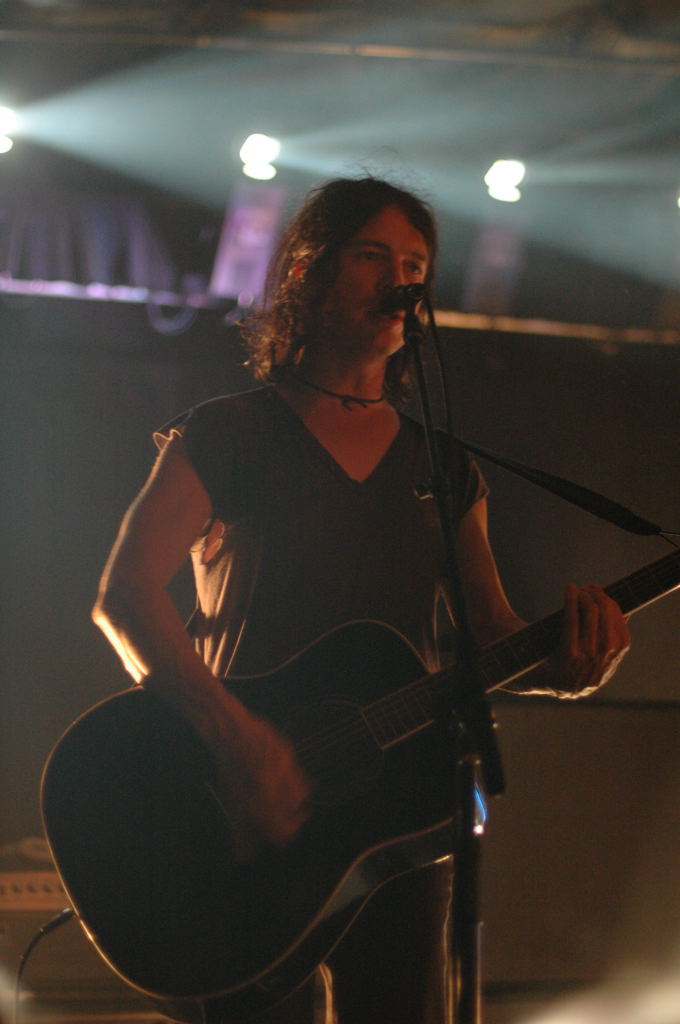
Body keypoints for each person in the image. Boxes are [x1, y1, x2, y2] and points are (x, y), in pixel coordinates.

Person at [92, 177, 631, 1023]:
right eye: (373, 256)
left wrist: (567, 666)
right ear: (306, 272)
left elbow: (491, 637)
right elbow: (124, 597)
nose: (399, 280)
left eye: (414, 265)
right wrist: (238, 740)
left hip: (396, 825)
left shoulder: (443, 466)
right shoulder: (228, 433)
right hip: (247, 820)